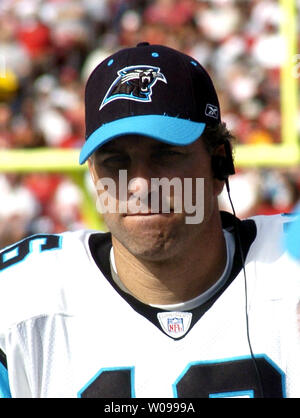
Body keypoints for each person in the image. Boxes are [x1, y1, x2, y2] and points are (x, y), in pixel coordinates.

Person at [0, 42, 300, 399]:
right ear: (94, 175)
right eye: (116, 161)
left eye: (166, 154)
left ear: (219, 163)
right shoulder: (22, 299)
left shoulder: (288, 267)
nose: (141, 185)